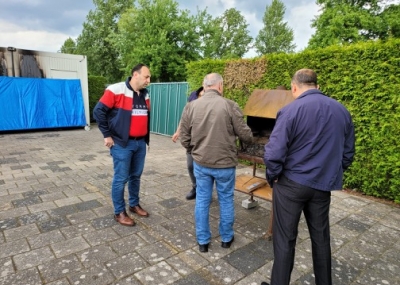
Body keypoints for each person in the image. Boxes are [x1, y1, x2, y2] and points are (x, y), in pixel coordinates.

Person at [261, 69, 355, 285]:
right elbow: (348, 154)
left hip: (290, 185)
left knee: (284, 240)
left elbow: (273, 153)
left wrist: (273, 177)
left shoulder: (290, 110)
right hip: (322, 186)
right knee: (321, 239)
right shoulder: (342, 111)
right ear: (317, 86)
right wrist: (329, 173)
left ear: (294, 87)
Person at [179, 73, 253, 253]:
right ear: (220, 86)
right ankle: (226, 238)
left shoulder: (191, 106)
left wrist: (193, 150)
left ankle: (203, 242)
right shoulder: (230, 105)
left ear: (204, 86)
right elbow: (246, 135)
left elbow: (184, 136)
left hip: (201, 162)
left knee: (202, 201)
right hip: (225, 164)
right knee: (226, 200)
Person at [93, 63, 152, 227]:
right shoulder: (116, 90)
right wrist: (107, 135)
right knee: (121, 178)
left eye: (149, 77)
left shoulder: (145, 95)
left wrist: (145, 140)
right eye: (146, 76)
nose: (149, 80)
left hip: (140, 143)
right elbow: (98, 111)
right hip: (121, 144)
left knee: (136, 176)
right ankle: (119, 212)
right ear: (135, 74)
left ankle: (134, 205)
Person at [172, 86, 204, 200]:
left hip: (205, 143)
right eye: (200, 95)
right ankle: (195, 187)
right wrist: (178, 131)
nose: (202, 97)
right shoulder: (191, 105)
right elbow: (183, 119)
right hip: (192, 142)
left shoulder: (211, 106)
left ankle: (204, 191)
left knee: (204, 168)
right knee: (191, 166)